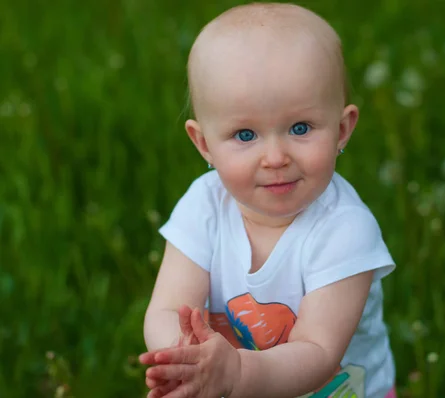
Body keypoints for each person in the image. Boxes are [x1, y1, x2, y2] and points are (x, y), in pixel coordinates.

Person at [138, 3, 397, 397]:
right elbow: (169, 308)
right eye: (245, 135)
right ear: (204, 143)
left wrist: (237, 372)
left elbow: (318, 351)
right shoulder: (204, 206)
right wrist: (191, 361)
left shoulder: (345, 230)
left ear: (342, 129)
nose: (275, 158)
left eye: (300, 128)